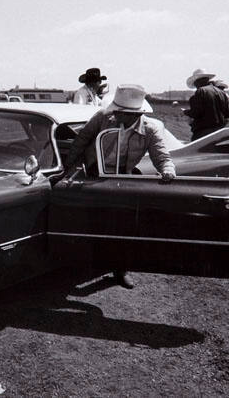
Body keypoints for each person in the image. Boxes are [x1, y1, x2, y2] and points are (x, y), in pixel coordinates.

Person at [64, 84, 176, 289]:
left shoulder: (151, 129)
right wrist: (69, 168)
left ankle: (121, 269)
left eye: (121, 112)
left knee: (123, 224)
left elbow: (162, 156)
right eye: (115, 110)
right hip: (94, 172)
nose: (116, 115)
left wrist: (168, 170)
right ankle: (88, 262)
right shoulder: (102, 118)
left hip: (122, 177)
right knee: (93, 218)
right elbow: (82, 140)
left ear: (136, 113)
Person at [183, 68, 229, 141]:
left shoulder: (201, 91)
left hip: (203, 132)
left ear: (197, 81)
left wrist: (186, 112)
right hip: (219, 131)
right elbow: (227, 115)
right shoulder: (222, 92)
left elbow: (196, 113)